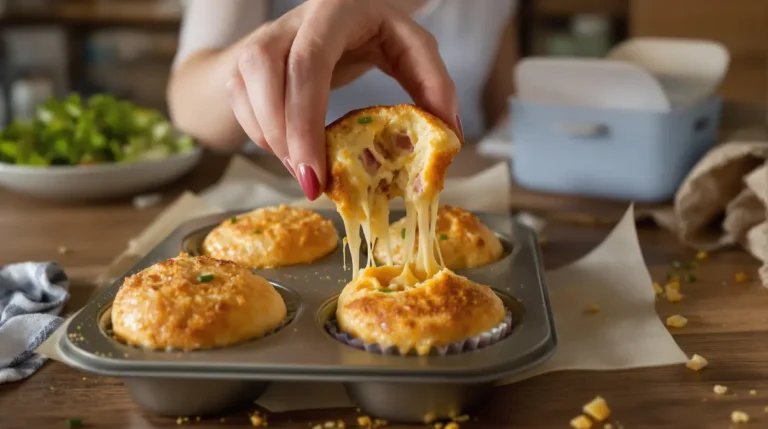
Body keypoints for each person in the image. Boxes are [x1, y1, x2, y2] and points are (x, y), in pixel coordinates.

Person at [168, 0, 518, 200]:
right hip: (276, 195)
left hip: (457, 197)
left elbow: (500, 103)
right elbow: (189, 107)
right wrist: (271, 56)